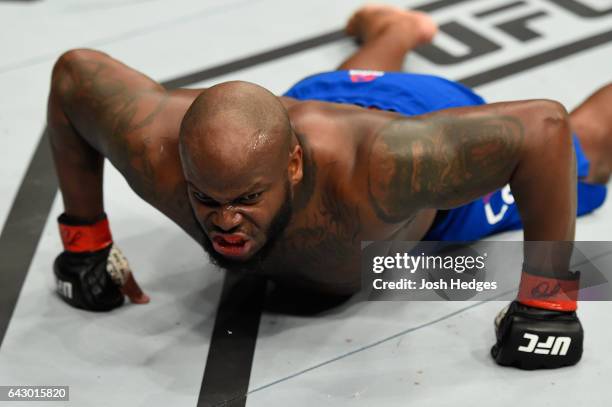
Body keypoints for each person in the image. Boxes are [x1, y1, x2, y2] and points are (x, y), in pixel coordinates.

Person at [48, 5, 610, 369]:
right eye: (207, 199)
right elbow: (75, 73)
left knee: (589, 147)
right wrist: (86, 244)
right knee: (341, 90)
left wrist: (548, 303)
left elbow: (545, 128)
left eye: (246, 200)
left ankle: (394, 32)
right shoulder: (163, 154)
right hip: (319, 96)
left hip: (414, 126)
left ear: (293, 166)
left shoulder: (392, 169)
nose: (223, 221)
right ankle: (395, 29)